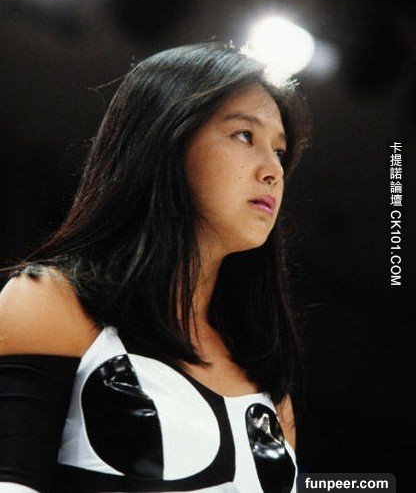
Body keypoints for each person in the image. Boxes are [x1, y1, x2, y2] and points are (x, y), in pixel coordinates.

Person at [0, 41, 311, 492]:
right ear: (166, 139)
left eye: (279, 152)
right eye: (245, 135)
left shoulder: (269, 387)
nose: (273, 171)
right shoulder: (53, 303)